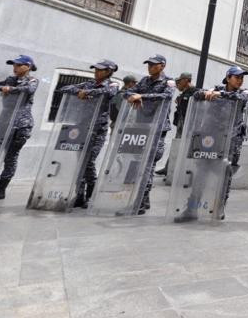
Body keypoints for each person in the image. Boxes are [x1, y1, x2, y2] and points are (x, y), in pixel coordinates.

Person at [175, 66, 248, 221]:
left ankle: (219, 208)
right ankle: (191, 209)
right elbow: (196, 94)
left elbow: (239, 98)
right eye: (237, 77)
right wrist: (207, 93)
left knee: (225, 174)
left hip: (230, 140)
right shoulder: (215, 89)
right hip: (211, 138)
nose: (240, 80)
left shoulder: (243, 93)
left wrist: (218, 94)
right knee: (201, 172)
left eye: (242, 78)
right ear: (228, 78)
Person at [58, 59, 119, 208]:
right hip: (81, 128)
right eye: (95, 69)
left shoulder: (112, 84)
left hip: (98, 130)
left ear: (109, 71)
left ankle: (91, 196)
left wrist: (88, 93)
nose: (96, 72)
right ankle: (79, 196)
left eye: (100, 70)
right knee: (81, 162)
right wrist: (80, 92)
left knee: (89, 161)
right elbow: (65, 88)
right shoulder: (88, 84)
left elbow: (108, 92)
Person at [124, 54, 175, 214]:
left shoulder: (169, 82)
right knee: (138, 164)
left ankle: (139, 201)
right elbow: (128, 92)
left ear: (162, 66)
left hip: (158, 128)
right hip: (141, 126)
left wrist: (142, 96)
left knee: (148, 165)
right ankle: (143, 200)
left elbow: (166, 96)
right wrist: (132, 96)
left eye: (154, 65)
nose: (150, 67)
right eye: (149, 64)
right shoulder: (144, 81)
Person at [0, 54, 40, 201]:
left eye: (18, 65)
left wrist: (8, 88)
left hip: (21, 126)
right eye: (14, 65)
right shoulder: (9, 80)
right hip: (3, 123)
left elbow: (28, 89)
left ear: (27, 67)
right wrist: (3, 86)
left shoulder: (32, 80)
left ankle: (1, 190)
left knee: (10, 157)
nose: (15, 68)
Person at [158, 72, 196, 176]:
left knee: (182, 148)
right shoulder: (185, 93)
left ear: (186, 80)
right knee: (176, 146)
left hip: (188, 125)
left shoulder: (194, 92)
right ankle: (168, 168)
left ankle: (173, 171)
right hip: (181, 123)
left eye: (179, 81)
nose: (178, 83)